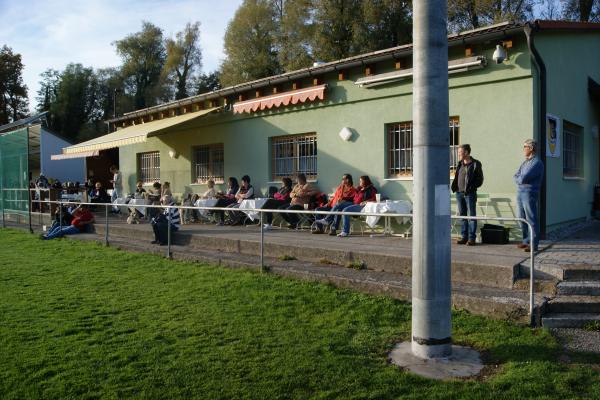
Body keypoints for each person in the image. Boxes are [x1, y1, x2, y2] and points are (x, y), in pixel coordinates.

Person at [513, 139, 544, 252]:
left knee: (531, 218)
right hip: (520, 191)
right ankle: (526, 241)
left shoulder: (537, 163)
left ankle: (533, 244)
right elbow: (515, 175)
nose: (523, 149)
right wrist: (519, 179)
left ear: (531, 148)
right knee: (521, 217)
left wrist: (519, 179)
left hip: (529, 192)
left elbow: (524, 177)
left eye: (525, 146)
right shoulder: (525, 162)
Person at [451, 144, 484, 246]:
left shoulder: (475, 164)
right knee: (462, 216)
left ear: (466, 152)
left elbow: (480, 180)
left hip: (470, 194)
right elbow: (457, 177)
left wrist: (471, 188)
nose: (459, 154)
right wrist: (455, 187)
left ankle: (471, 238)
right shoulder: (460, 164)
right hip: (459, 193)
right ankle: (464, 237)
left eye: (460, 152)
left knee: (471, 216)